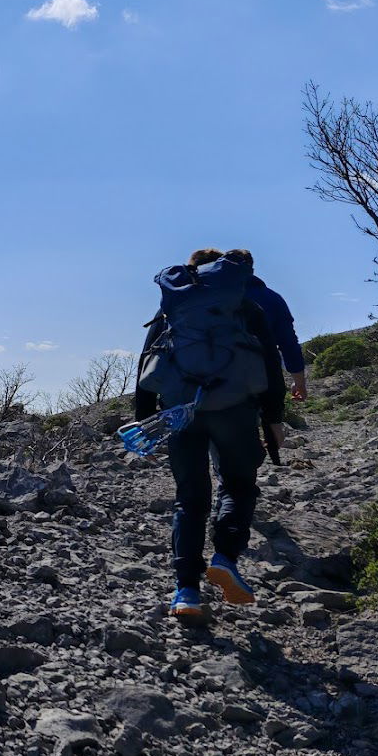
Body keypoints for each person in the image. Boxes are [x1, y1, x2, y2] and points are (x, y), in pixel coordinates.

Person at [135, 252, 286, 620]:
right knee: (238, 485)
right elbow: (269, 363)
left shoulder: (174, 309)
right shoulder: (246, 309)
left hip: (180, 410)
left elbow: (147, 361)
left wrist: (145, 420)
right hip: (234, 409)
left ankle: (186, 591)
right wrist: (274, 418)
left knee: (189, 499)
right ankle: (225, 558)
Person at [187, 248, 306, 400]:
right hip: (253, 385)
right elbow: (289, 345)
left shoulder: (193, 298)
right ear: (252, 268)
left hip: (193, 383)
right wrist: (299, 383)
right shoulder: (271, 298)